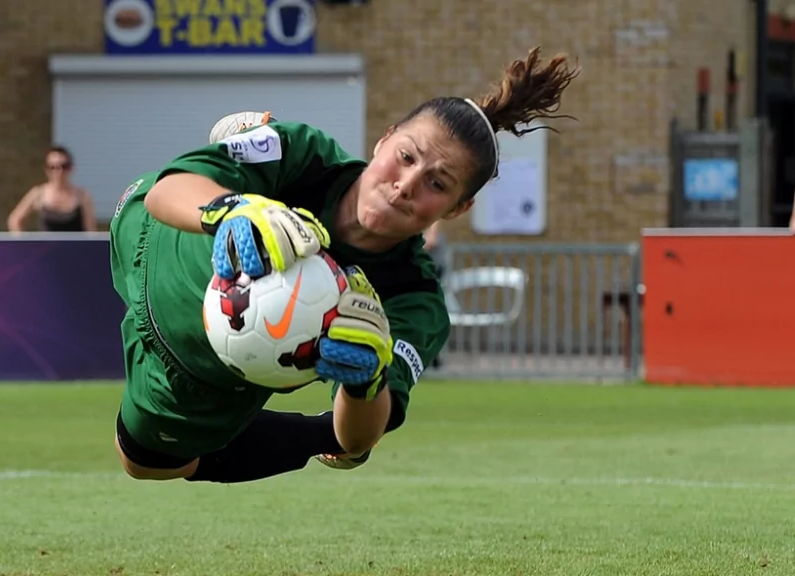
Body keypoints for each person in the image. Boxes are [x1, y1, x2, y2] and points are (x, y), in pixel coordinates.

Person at [109, 47, 579, 483]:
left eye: (437, 183)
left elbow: (362, 436)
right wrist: (229, 210)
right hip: (150, 238)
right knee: (178, 188)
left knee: (144, 463)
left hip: (200, 376)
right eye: (406, 157)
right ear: (384, 139)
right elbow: (165, 194)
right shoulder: (305, 155)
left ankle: (245, 150)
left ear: (457, 209)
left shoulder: (413, 300)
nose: (405, 185)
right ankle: (246, 156)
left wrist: (364, 381)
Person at [7, 146, 97, 232]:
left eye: (64, 166)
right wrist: (22, 244)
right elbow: (15, 220)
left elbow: (91, 231)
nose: (59, 172)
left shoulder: (82, 196)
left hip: (76, 248)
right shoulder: (39, 193)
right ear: (47, 170)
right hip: (46, 247)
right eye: (53, 167)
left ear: (71, 168)